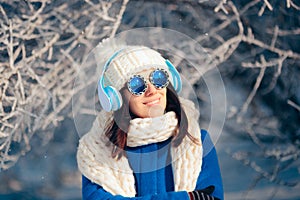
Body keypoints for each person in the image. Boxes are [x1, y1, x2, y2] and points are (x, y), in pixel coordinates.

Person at [76, 45, 224, 200]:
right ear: (117, 97)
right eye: (137, 85)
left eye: (159, 78)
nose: (152, 91)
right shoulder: (96, 151)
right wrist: (184, 197)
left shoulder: (198, 141)